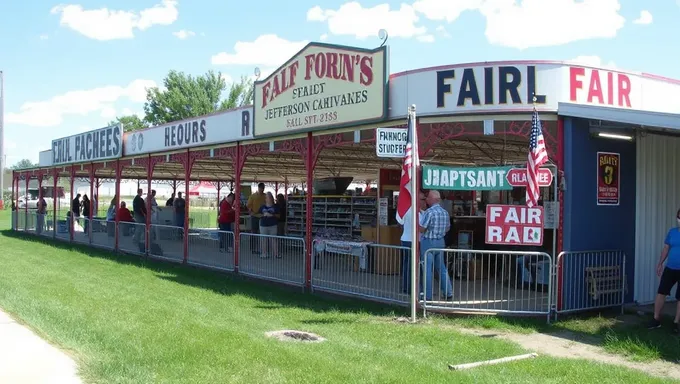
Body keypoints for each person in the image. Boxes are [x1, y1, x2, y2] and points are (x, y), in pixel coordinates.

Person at [648, 208, 680, 332]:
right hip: (670, 267)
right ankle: (656, 319)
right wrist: (660, 263)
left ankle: (676, 323)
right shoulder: (672, 232)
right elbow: (666, 248)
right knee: (661, 292)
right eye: (679, 217)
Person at [419, 190, 453, 301]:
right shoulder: (445, 212)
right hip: (440, 241)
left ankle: (427, 295)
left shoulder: (429, 212)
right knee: (441, 268)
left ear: (433, 199)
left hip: (428, 242)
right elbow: (448, 228)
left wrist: (416, 225)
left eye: (428, 197)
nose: (426, 199)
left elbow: (422, 228)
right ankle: (448, 292)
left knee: (427, 269)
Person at [400, 191, 426, 294]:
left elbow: (401, 222)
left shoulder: (408, 210)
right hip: (413, 241)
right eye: (423, 199)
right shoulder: (418, 213)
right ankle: (415, 288)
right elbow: (422, 228)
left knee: (407, 265)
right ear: (417, 200)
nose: (425, 201)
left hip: (405, 239)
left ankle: (407, 287)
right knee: (416, 266)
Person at [258, 192, 280, 258]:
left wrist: (272, 215)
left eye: (270, 197)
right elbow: (257, 214)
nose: (269, 198)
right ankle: (264, 254)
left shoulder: (276, 206)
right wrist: (263, 215)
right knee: (263, 240)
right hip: (263, 225)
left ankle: (276, 254)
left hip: (273, 225)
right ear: (265, 199)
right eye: (267, 197)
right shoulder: (262, 206)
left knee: (274, 239)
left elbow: (279, 215)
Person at [246, 183, 266, 252]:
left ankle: (262, 248)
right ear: (258, 188)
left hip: (262, 216)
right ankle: (253, 247)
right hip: (254, 216)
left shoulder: (265, 196)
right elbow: (248, 205)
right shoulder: (253, 196)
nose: (262, 190)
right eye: (261, 188)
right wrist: (251, 211)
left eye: (263, 188)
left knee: (262, 233)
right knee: (254, 232)